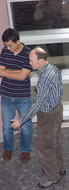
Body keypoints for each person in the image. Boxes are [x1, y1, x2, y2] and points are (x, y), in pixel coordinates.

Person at [10, 47, 66, 188]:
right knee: (56, 141)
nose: (29, 63)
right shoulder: (53, 68)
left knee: (45, 146)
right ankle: (60, 168)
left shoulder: (45, 78)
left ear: (41, 61)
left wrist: (20, 120)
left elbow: (36, 106)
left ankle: (52, 177)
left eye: (31, 60)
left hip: (48, 116)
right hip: (57, 109)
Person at [0, 28, 33, 163]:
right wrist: (18, 72)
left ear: (18, 42)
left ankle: (25, 150)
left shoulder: (28, 53)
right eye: (5, 45)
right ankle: (9, 148)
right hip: (6, 95)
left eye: (10, 45)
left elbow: (22, 76)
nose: (7, 48)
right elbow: (16, 74)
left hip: (23, 96)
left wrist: (11, 72)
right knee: (6, 126)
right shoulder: (5, 51)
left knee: (25, 125)